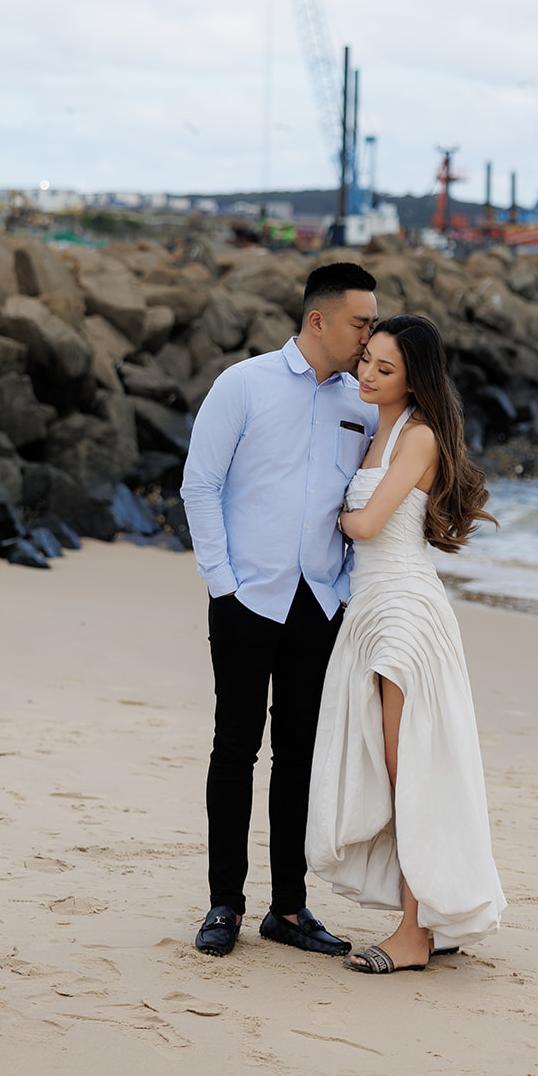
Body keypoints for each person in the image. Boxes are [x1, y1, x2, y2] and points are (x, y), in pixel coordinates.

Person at [181, 261, 379, 958]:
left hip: (320, 602)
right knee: (235, 749)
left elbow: (367, 501)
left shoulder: (363, 403)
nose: (369, 337)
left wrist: (347, 587)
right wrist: (222, 583)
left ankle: (288, 909)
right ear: (318, 320)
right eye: (360, 323)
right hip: (246, 598)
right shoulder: (244, 384)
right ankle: (224, 905)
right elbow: (200, 484)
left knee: (299, 756)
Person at [306, 313, 507, 974]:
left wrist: (321, 515)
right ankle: (427, 920)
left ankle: (414, 934)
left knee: (408, 771)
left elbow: (366, 525)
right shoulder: (375, 430)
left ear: (413, 380)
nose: (366, 373)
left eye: (383, 368)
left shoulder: (417, 436)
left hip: (403, 614)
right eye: (366, 358)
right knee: (391, 768)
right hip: (371, 609)